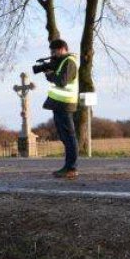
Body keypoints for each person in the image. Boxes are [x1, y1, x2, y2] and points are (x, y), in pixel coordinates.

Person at [42, 39, 80, 179]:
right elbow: (58, 80)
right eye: (51, 51)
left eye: (54, 51)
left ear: (63, 48)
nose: (53, 54)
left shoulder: (69, 62)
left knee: (69, 137)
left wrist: (50, 74)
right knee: (65, 137)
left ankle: (71, 168)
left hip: (65, 104)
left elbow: (62, 81)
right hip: (59, 104)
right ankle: (68, 166)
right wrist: (49, 74)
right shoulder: (63, 62)